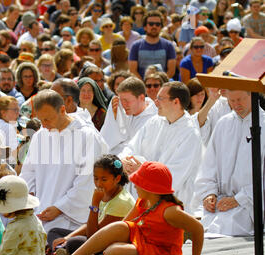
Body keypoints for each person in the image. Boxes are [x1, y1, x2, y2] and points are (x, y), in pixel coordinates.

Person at [53, 161, 218, 255]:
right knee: (117, 230)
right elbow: (123, 226)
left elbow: (198, 228)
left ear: (149, 187)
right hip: (140, 239)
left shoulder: (170, 211)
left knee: (112, 252)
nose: (135, 186)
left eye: (139, 183)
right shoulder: (142, 201)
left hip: (158, 251)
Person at [20, 89, 108, 233]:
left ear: (62, 110)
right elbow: (28, 172)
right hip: (39, 212)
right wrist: (30, 198)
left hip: (70, 219)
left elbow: (87, 181)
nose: (44, 124)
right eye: (40, 120)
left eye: (48, 119)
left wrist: (60, 208)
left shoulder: (87, 137)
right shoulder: (40, 135)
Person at [119, 82, 202, 213]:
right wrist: (123, 161)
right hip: (140, 197)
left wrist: (142, 170)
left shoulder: (190, 134)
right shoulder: (154, 122)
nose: (155, 102)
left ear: (176, 102)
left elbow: (174, 176)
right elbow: (131, 147)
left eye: (160, 99)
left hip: (171, 208)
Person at [194, 90, 265, 236]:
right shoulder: (223, 123)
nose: (236, 105)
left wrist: (240, 199)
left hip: (250, 207)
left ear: (252, 95)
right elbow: (209, 164)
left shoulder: (263, 123)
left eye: (240, 99)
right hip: (220, 205)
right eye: (231, 101)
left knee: (226, 229)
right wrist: (209, 193)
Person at [49, 154, 135, 255]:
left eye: (104, 179)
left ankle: (62, 251)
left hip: (106, 244)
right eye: (96, 178)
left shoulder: (122, 202)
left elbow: (94, 236)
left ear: (117, 179)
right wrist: (66, 237)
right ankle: (60, 250)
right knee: (55, 232)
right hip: (96, 235)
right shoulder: (106, 192)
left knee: (73, 242)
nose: (98, 184)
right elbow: (91, 225)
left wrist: (95, 204)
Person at [101, 77, 158, 155]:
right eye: (121, 100)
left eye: (127, 101)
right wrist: (113, 119)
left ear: (141, 98)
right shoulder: (121, 112)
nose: (124, 105)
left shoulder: (154, 119)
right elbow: (106, 142)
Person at [128, 10, 176, 80]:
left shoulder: (169, 45)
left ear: (161, 27)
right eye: (151, 24)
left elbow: (171, 71)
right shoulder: (136, 46)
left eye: (157, 24)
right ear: (145, 27)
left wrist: (160, 84)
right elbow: (133, 71)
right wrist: (146, 85)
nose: (154, 26)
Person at [0, 96, 20, 161]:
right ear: (3, 112)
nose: (18, 113)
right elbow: (13, 157)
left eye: (18, 110)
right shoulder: (8, 127)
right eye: (15, 110)